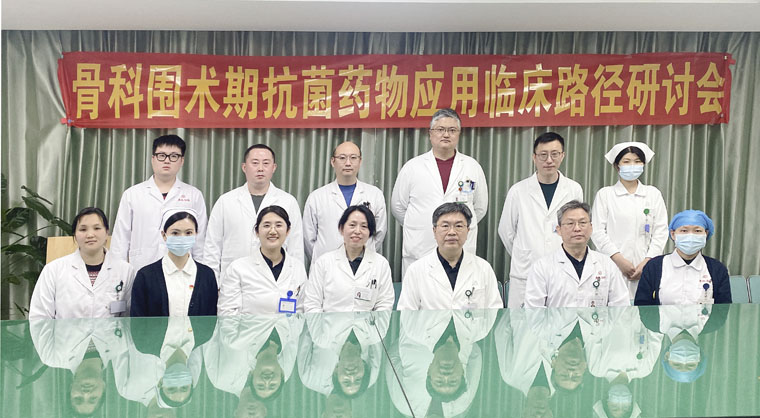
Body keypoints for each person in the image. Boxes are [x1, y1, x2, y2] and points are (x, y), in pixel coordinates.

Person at [391, 108, 488, 275]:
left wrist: (457, 226)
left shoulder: (472, 167)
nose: (446, 135)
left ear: (459, 134)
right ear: (430, 133)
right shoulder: (412, 167)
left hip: (459, 250)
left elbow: (479, 208)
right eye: (440, 129)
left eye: (452, 130)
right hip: (421, 248)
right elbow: (398, 207)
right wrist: (421, 223)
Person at [498, 132, 583, 308]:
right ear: (534, 157)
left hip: (563, 270)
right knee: (523, 323)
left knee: (561, 321)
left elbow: (577, 228)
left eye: (554, 154)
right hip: (526, 272)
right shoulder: (518, 190)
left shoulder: (573, 189)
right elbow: (506, 231)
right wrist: (525, 252)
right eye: (543, 155)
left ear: (563, 156)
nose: (549, 160)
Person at [204, 144, 304, 281]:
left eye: (266, 163)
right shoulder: (225, 201)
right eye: (255, 163)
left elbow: (296, 248)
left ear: (274, 167)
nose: (260, 168)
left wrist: (296, 282)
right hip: (232, 280)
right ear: (244, 167)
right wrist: (211, 283)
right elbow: (212, 247)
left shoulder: (288, 201)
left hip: (277, 280)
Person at [110, 134, 208, 271]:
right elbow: (120, 239)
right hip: (141, 266)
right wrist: (116, 273)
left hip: (182, 269)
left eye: (174, 156)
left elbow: (200, 241)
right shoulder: (132, 194)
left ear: (182, 161)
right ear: (153, 159)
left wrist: (201, 272)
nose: (167, 161)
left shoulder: (194, 195)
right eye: (161, 155)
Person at [591, 141, 668, 300]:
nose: (632, 166)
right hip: (612, 265)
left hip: (645, 267)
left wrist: (647, 262)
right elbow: (597, 232)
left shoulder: (653, 194)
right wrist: (619, 260)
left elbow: (661, 232)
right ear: (617, 166)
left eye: (637, 161)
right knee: (612, 306)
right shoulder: (605, 194)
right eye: (626, 161)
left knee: (643, 309)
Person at [29, 207, 135, 319]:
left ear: (106, 232)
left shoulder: (125, 271)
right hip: (66, 331)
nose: (90, 235)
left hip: (111, 331)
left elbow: (129, 317)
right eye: (83, 229)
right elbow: (39, 317)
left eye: (97, 228)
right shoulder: (53, 270)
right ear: (74, 235)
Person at [397, 202, 502, 311]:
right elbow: (406, 314)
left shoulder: (484, 268)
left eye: (458, 226)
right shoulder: (416, 270)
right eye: (445, 226)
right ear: (434, 231)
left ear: (467, 231)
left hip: (472, 323)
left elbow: (495, 311)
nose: (452, 232)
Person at [524, 200, 629, 308]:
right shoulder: (541, 267)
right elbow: (534, 311)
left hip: (597, 320)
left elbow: (621, 306)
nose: (577, 228)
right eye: (570, 223)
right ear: (559, 230)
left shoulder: (607, 264)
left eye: (582, 223)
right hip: (556, 320)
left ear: (591, 228)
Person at [303, 141, 387, 269]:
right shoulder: (317, 197)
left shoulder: (374, 194)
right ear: (332, 161)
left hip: (364, 265)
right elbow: (309, 238)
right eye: (342, 158)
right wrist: (322, 258)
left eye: (353, 158)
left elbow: (378, 234)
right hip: (327, 267)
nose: (348, 163)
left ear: (360, 161)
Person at [218, 205, 308, 315]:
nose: (273, 231)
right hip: (249, 327)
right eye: (266, 225)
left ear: (288, 231)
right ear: (257, 231)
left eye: (278, 225)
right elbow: (227, 313)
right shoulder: (237, 269)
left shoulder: (297, 268)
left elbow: (301, 311)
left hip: (288, 326)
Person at [304, 205, 394, 312]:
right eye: (352, 225)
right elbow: (312, 304)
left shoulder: (381, 264)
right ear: (341, 229)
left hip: (367, 323)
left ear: (370, 232)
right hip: (329, 322)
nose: (357, 231)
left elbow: (385, 304)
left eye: (364, 226)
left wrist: (375, 323)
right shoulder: (323, 263)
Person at [130, 210, 218, 316]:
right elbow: (137, 320)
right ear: (164, 235)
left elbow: (211, 318)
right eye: (175, 233)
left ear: (196, 234)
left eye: (188, 233)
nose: (182, 238)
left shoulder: (207, 275)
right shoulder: (145, 276)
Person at [634, 210, 731, 305]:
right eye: (684, 230)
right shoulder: (654, 266)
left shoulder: (718, 269)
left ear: (705, 234)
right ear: (673, 234)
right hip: (664, 317)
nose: (691, 235)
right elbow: (642, 306)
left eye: (697, 231)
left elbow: (724, 308)